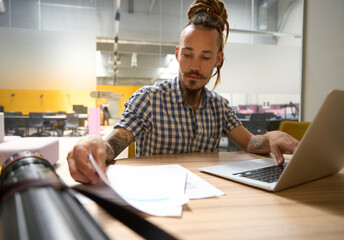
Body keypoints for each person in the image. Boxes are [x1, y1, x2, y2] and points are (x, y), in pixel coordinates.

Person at [67, 0, 299, 184]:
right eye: (187, 54)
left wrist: (271, 137)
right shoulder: (149, 99)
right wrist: (93, 143)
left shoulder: (219, 107)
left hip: (207, 194)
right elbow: (112, 145)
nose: (194, 67)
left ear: (218, 60)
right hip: (157, 196)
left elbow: (250, 143)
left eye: (205, 57)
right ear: (177, 54)